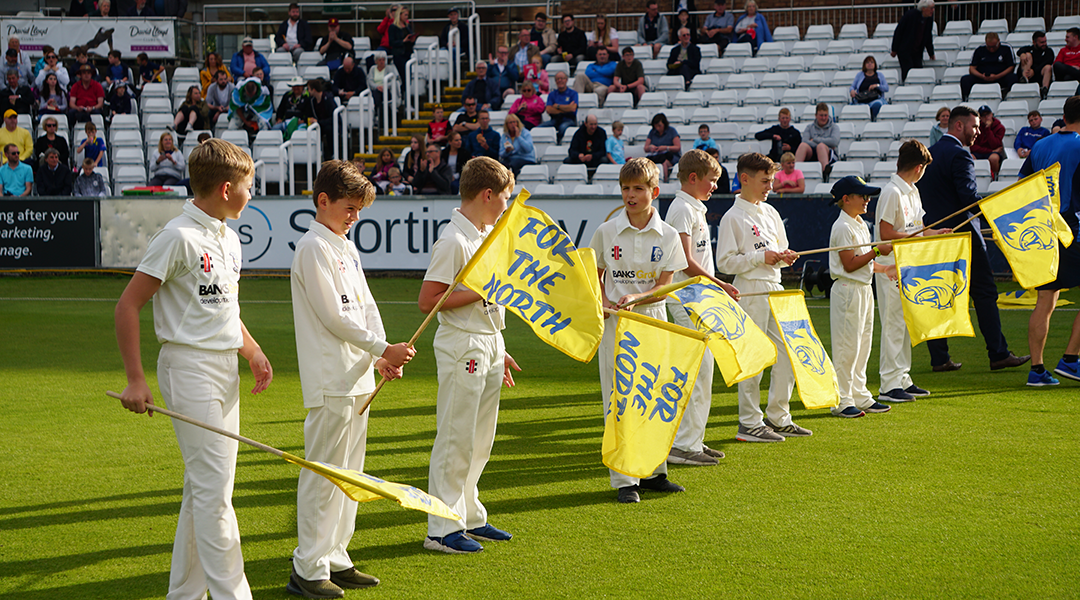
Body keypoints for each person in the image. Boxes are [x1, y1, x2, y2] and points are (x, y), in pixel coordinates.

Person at [114, 139, 272, 600]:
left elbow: (223, 309)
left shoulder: (229, 237)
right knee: (214, 492)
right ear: (226, 189)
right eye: (248, 186)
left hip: (225, 369)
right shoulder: (177, 236)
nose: (251, 194)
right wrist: (136, 379)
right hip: (188, 368)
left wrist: (251, 350)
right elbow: (127, 305)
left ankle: (183, 594)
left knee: (204, 488)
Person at [286, 161, 414, 598]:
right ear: (323, 201)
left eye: (359, 210)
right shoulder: (312, 247)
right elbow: (333, 316)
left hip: (357, 377)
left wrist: (381, 355)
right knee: (324, 475)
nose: (355, 217)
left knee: (350, 475)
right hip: (330, 378)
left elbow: (366, 308)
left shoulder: (345, 246)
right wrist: (382, 349)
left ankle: (336, 557)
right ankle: (308, 566)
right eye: (349, 208)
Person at [419, 156, 519, 550]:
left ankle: (470, 516)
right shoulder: (453, 240)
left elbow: (488, 300)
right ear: (487, 194)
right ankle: (441, 528)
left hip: (488, 340)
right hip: (463, 343)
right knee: (456, 436)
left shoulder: (483, 234)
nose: (507, 205)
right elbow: (428, 300)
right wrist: (482, 292)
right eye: (505, 197)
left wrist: (500, 346)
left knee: (480, 439)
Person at [589, 157, 687, 503]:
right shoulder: (606, 231)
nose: (630, 195)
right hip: (617, 324)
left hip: (653, 319)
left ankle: (655, 472)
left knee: (654, 396)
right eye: (625, 188)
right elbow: (594, 275)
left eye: (638, 189)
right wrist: (604, 302)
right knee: (619, 400)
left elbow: (665, 286)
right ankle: (624, 480)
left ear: (654, 192)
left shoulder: (669, 235)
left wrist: (638, 297)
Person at [918, 105, 1029, 372]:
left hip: (933, 235)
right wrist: (997, 218)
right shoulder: (960, 155)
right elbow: (968, 198)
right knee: (984, 293)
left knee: (939, 294)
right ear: (959, 125)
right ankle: (998, 353)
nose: (978, 131)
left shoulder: (929, 155)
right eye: (975, 126)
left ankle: (939, 358)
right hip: (963, 236)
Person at [715, 152, 807, 442]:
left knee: (787, 353)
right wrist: (760, 257)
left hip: (774, 287)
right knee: (753, 357)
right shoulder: (732, 217)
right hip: (750, 289)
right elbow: (724, 262)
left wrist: (784, 257)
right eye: (765, 181)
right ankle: (749, 422)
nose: (770, 186)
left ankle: (778, 417)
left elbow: (779, 250)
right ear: (745, 179)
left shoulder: (771, 212)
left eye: (772, 180)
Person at [665, 150, 739, 466]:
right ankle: (683, 444)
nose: (714, 186)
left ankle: (693, 439)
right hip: (686, 299)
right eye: (712, 180)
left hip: (698, 297)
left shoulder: (691, 207)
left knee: (703, 372)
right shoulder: (682, 209)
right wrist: (721, 284)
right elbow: (685, 261)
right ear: (693, 178)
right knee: (696, 373)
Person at [875, 139, 948, 402]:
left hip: (910, 263)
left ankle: (902, 378)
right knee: (893, 324)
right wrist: (917, 237)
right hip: (891, 266)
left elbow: (917, 227)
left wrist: (935, 233)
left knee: (905, 324)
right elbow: (885, 234)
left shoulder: (912, 190)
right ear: (919, 167)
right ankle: (888, 383)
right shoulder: (892, 192)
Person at [1018, 95, 1080, 386]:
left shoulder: (1041, 145)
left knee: (1045, 299)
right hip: (1071, 230)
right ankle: (1070, 359)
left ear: (1064, 117)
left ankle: (1037, 370)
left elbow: (1022, 185)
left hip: (1042, 231)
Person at [827, 176, 895, 418]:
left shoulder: (860, 224)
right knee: (847, 347)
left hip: (863, 288)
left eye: (868, 196)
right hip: (848, 290)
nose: (867, 200)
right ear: (846, 199)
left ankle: (860, 395)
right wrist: (877, 250)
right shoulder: (842, 227)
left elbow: (864, 262)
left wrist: (885, 268)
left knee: (863, 346)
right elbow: (849, 264)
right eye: (862, 196)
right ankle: (842, 400)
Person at [960, 33, 1017, 101]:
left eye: (994, 46)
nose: (991, 49)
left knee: (1013, 78)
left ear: (998, 42)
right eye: (989, 47)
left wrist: (997, 76)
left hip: (1000, 77)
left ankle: (1008, 97)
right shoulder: (980, 50)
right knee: (965, 80)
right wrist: (981, 76)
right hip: (983, 77)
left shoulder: (1006, 48)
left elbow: (1011, 67)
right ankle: (967, 99)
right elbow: (972, 68)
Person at [891, 0, 936, 82]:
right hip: (905, 50)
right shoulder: (910, 15)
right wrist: (894, 49)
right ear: (923, 8)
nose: (933, 10)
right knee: (908, 71)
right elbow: (899, 32)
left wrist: (931, 53)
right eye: (931, 8)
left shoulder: (929, 19)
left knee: (918, 71)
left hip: (917, 51)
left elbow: (928, 36)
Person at [535, 71, 577, 143]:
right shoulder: (552, 94)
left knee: (562, 128)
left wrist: (557, 106)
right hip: (554, 120)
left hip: (568, 120)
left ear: (566, 80)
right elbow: (548, 110)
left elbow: (573, 109)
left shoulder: (573, 94)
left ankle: (559, 144)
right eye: (558, 79)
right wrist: (567, 108)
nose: (560, 80)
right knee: (538, 129)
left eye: (562, 78)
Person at [795, 103, 840, 172]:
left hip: (829, 154)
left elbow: (834, 142)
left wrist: (815, 140)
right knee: (803, 146)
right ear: (816, 115)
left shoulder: (834, 127)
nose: (823, 118)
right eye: (821, 115)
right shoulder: (809, 127)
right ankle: (795, 171)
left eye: (825, 115)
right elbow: (804, 141)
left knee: (821, 147)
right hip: (812, 152)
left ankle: (825, 172)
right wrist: (825, 143)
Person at [367, 52, 400, 128]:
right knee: (376, 94)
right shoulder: (372, 69)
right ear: (376, 61)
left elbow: (393, 81)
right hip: (376, 89)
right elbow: (370, 81)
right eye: (380, 60)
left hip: (387, 90)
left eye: (383, 60)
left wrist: (384, 86)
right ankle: (378, 113)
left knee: (381, 95)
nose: (382, 62)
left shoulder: (389, 69)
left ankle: (378, 114)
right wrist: (377, 87)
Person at [971, 105, 1006, 177]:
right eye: (983, 116)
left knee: (994, 158)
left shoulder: (1000, 128)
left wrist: (988, 129)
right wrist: (990, 151)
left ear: (992, 114)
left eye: (988, 114)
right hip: (981, 152)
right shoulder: (976, 127)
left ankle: (995, 177)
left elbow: (995, 144)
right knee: (970, 157)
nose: (986, 117)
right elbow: (973, 147)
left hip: (991, 153)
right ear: (980, 118)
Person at [850, 55, 889, 120]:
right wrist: (852, 91)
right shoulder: (859, 75)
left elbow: (886, 88)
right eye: (867, 62)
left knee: (878, 104)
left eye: (872, 62)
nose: (870, 64)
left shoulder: (880, 75)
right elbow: (852, 86)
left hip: (875, 100)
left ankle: (873, 117)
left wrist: (877, 86)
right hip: (862, 101)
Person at [645, 113, 681, 181]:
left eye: (659, 126)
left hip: (670, 156)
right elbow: (646, 148)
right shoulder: (652, 132)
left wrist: (666, 148)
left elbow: (677, 147)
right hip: (657, 155)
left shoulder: (672, 131)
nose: (658, 128)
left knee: (664, 162)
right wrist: (650, 147)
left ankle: (665, 180)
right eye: (656, 126)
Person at [1017, 31, 1054, 96]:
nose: (1044, 44)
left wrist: (1034, 71)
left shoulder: (1049, 51)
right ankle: (1025, 79)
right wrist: (1022, 54)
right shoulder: (1030, 49)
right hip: (1029, 73)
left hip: (1040, 75)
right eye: (1042, 42)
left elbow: (1047, 62)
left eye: (1045, 41)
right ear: (1034, 42)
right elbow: (1020, 51)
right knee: (1027, 55)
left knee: (1048, 67)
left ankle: (1044, 90)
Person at [388, 6, 416, 78]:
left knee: (408, 76)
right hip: (399, 55)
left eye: (407, 15)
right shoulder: (393, 27)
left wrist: (412, 40)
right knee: (404, 76)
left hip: (407, 53)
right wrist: (403, 41)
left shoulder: (408, 26)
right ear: (400, 15)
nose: (407, 17)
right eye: (405, 15)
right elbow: (392, 42)